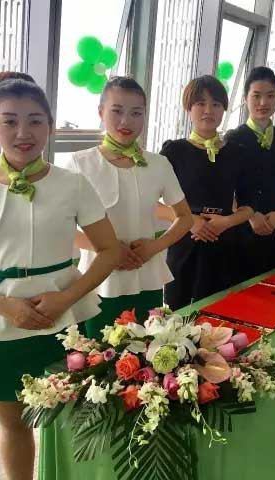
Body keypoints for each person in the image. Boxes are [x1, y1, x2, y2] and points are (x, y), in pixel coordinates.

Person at [0, 73, 119, 480]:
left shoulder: (73, 184)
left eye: (35, 120)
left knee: (69, 421)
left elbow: (109, 251)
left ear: (50, 125)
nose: (24, 133)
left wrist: (66, 298)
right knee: (14, 425)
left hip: (64, 320)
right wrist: (3, 306)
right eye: (10, 121)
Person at [60, 76, 192, 340]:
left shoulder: (158, 164)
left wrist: (154, 246)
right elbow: (60, 227)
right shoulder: (80, 163)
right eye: (117, 111)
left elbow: (185, 218)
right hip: (99, 280)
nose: (126, 121)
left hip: (148, 276)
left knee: (149, 352)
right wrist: (109, 251)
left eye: (136, 113)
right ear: (101, 112)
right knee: (97, 355)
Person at [158, 75, 255, 310]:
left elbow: (249, 206)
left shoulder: (238, 153)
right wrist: (190, 221)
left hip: (225, 243)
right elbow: (151, 203)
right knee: (178, 313)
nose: (208, 110)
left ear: (224, 109)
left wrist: (226, 221)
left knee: (220, 313)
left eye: (216, 104)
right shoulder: (174, 151)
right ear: (188, 108)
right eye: (200, 103)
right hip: (183, 242)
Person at [225, 66, 275, 278]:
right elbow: (225, 189)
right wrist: (251, 216)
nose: (263, 102)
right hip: (243, 229)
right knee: (242, 287)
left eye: (270, 95)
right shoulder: (233, 138)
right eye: (256, 95)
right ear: (245, 99)